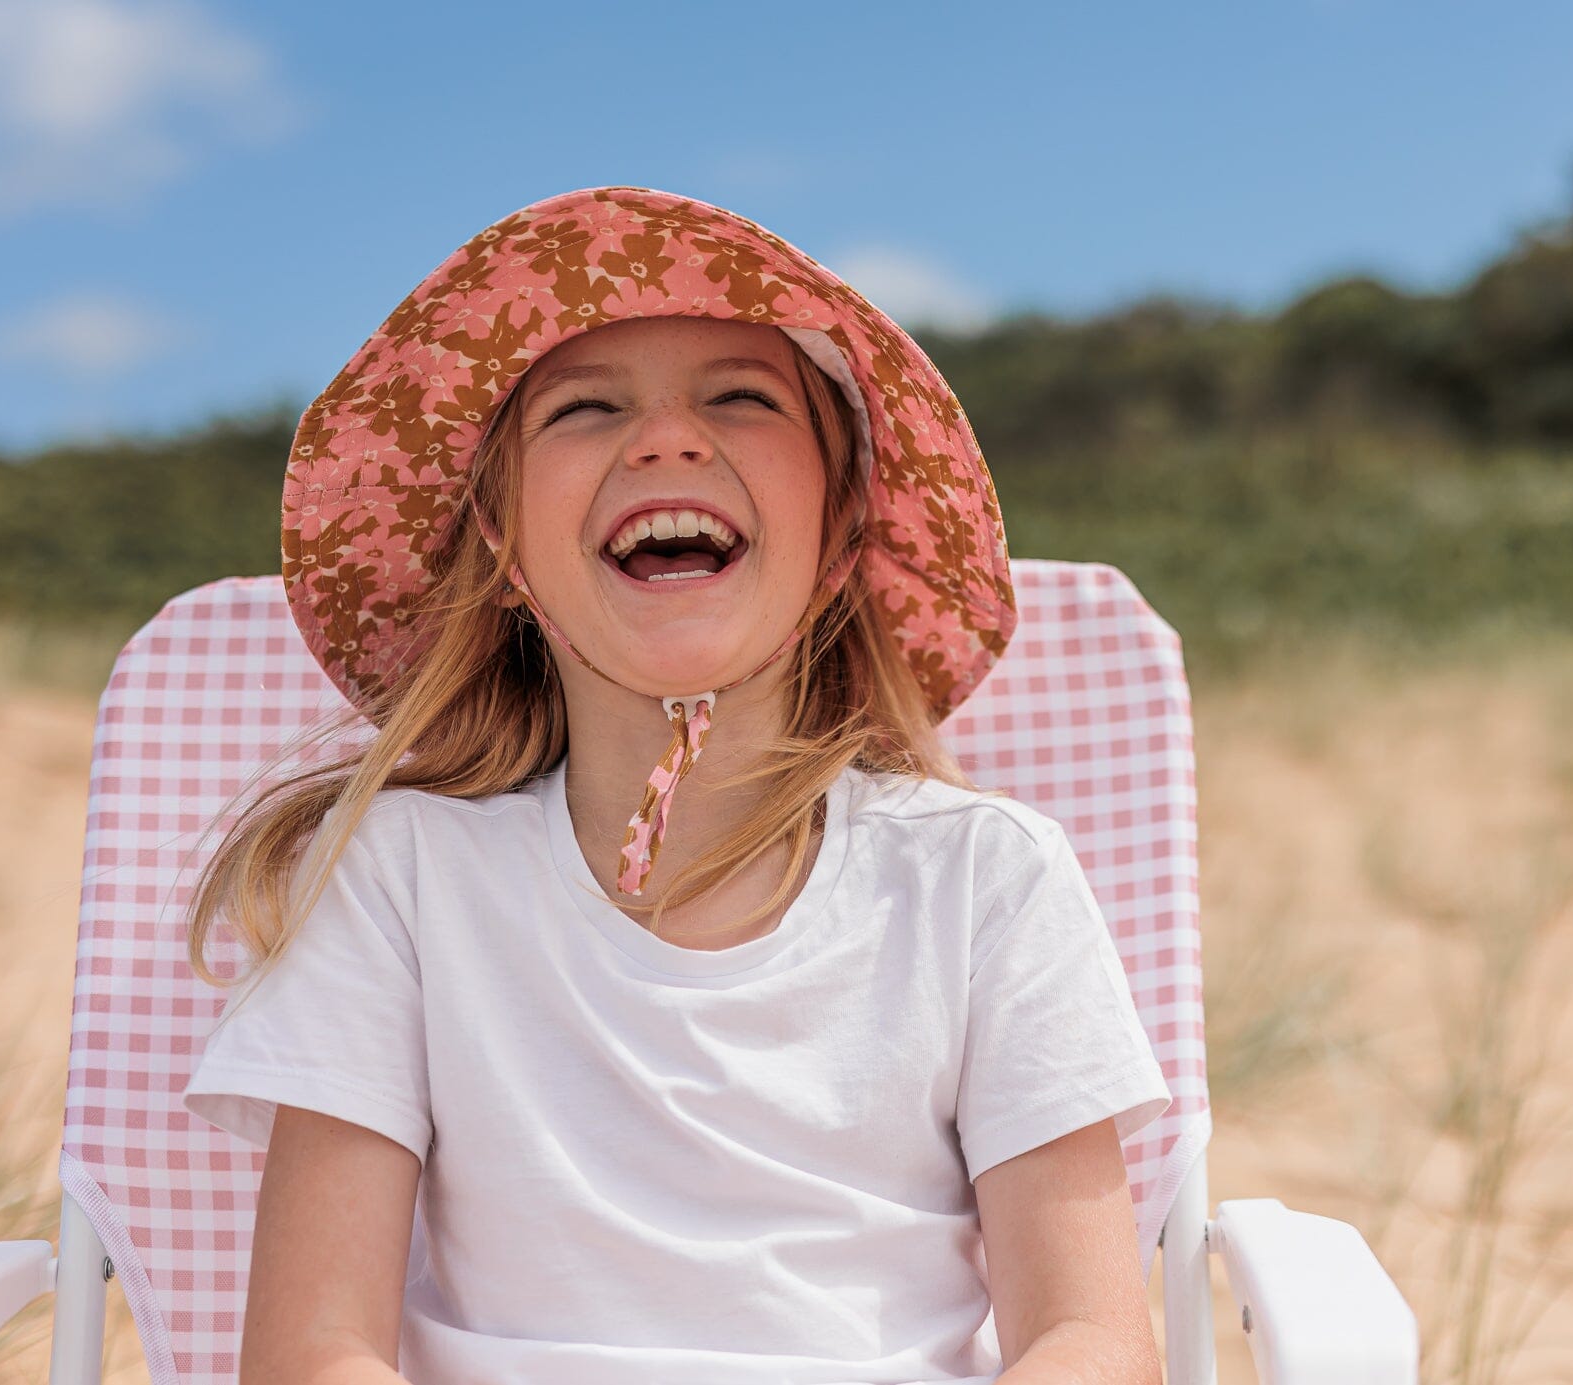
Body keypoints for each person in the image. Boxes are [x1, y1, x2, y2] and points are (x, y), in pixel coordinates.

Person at [178, 187, 1172, 1385]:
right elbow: (314, 1351)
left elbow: (1091, 1338)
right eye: (586, 408)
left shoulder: (983, 876)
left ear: (842, 516)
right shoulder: (402, 872)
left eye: (740, 397)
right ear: (499, 538)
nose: (663, 438)